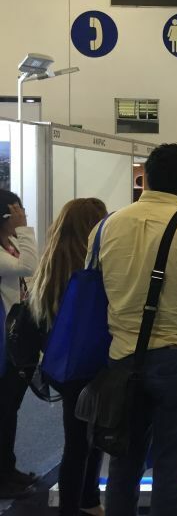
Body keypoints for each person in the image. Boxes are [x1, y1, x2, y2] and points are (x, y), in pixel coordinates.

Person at [90, 144, 177, 515]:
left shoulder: (106, 226)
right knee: (172, 466)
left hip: (122, 357)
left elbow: (95, 289)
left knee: (124, 461)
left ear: (146, 178)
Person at [29, 198, 108, 515]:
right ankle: (84, 502)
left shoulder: (53, 266)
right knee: (91, 439)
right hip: (94, 364)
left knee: (76, 440)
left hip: (64, 367)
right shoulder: (93, 268)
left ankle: (78, 504)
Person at [0, 190, 39, 500]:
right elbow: (28, 266)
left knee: (10, 408)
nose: (22, 215)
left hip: (15, 337)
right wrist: (25, 229)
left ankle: (8, 468)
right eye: (17, 211)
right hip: (3, 341)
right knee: (3, 408)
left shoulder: (9, 243)